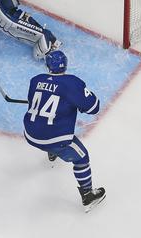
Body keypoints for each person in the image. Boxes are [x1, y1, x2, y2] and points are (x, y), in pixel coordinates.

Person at [23, 50, 106, 212]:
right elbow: (94, 107)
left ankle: (52, 152)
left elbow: (34, 104)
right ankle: (88, 195)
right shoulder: (72, 83)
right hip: (54, 139)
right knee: (82, 157)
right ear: (65, 65)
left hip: (30, 134)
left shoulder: (35, 80)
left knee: (46, 129)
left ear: (47, 66)